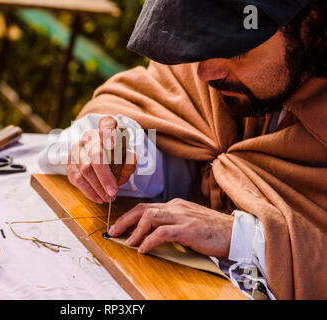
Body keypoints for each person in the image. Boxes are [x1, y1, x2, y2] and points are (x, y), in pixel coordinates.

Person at [38, 0, 327, 299]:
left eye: (236, 50)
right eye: (201, 44)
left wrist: (238, 236)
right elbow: (185, 147)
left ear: (310, 22)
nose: (205, 73)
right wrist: (126, 150)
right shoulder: (215, 73)